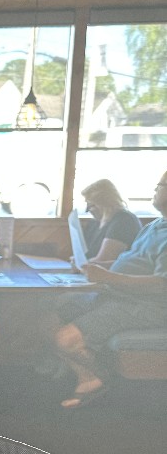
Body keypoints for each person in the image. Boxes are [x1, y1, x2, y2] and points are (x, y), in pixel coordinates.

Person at [54, 172, 167, 409]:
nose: (155, 189)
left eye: (160, 185)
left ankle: (101, 377)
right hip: (119, 294)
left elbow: (161, 284)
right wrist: (98, 267)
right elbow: (131, 262)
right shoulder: (155, 225)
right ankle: (89, 374)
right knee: (50, 313)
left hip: (148, 306)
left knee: (65, 338)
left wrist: (108, 277)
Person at [78, 178, 141, 265]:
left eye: (91, 205)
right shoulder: (94, 223)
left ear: (103, 203)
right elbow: (86, 255)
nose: (88, 210)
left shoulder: (124, 221)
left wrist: (80, 263)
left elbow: (103, 260)